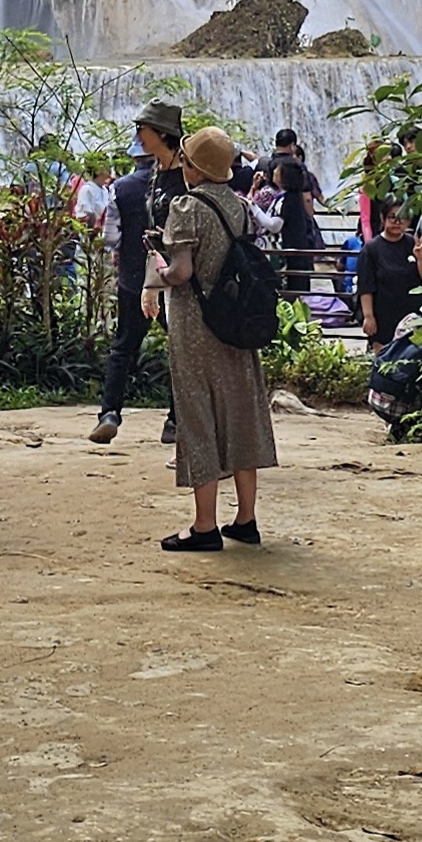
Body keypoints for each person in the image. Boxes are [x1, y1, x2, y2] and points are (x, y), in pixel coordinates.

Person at [141, 124, 276, 551]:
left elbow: (181, 272)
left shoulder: (186, 207)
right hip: (236, 323)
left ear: (194, 168)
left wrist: (159, 269)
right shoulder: (240, 205)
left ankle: (204, 526)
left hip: (196, 328)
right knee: (241, 413)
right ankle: (246, 520)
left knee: (198, 415)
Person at [90, 103, 186, 446]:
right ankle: (174, 421)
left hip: (145, 278)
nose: (137, 135)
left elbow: (111, 237)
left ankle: (109, 412)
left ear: (160, 133)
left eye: (142, 129)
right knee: (180, 349)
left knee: (124, 347)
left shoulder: (128, 186)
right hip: (167, 280)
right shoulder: (170, 178)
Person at [357, 199, 422, 345]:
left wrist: (421, 259)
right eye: (392, 217)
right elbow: (366, 286)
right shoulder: (371, 249)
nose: (397, 222)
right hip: (383, 315)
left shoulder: (413, 244)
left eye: (402, 218)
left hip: (411, 316)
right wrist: (368, 316)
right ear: (383, 218)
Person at [269, 128, 323, 301]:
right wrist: (310, 218)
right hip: (296, 231)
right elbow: (306, 196)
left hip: (274, 237)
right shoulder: (296, 166)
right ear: (292, 145)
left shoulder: (267, 163)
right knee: (300, 276)